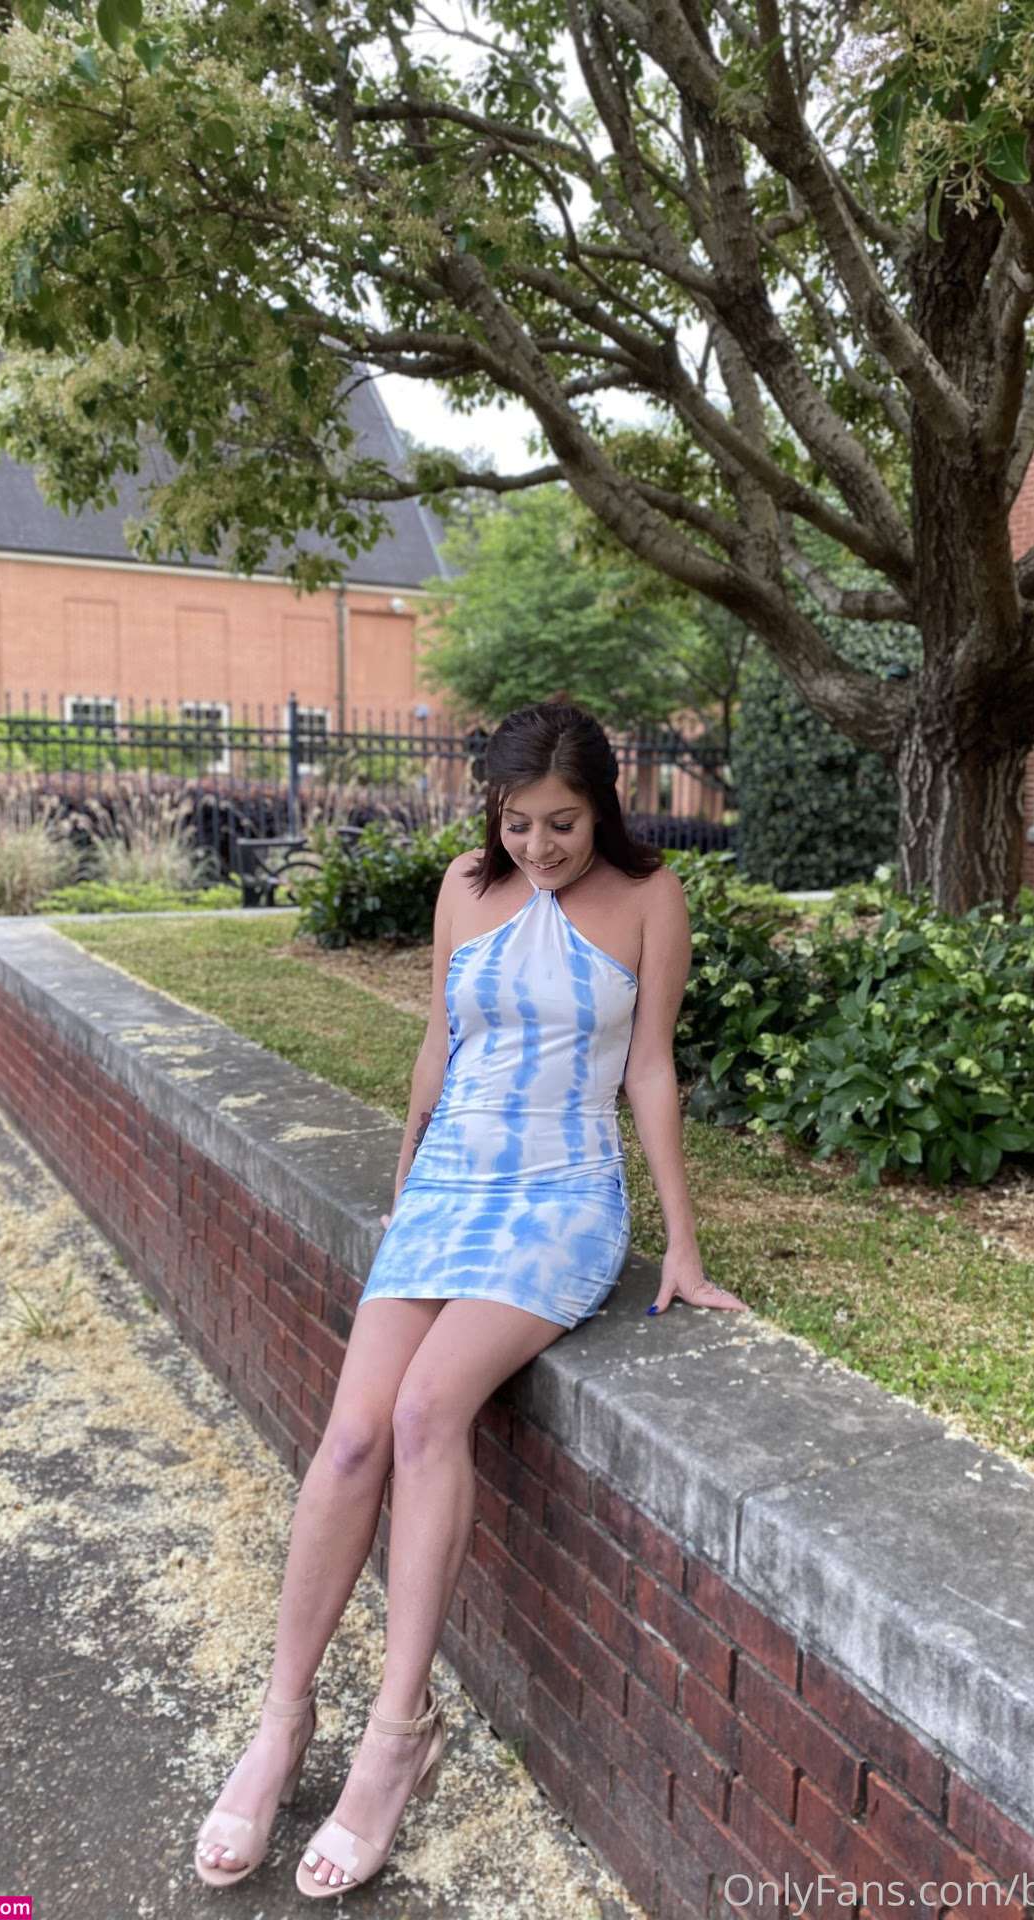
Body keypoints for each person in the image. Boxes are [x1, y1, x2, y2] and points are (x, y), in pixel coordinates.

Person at [192, 699, 745, 1898]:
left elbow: (651, 1070)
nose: (539, 847)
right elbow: (438, 1049)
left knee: (426, 1410)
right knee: (349, 1439)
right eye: (518, 822)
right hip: (450, 1185)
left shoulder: (650, 898)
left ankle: (398, 1736)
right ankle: (282, 1721)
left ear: (603, 808)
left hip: (561, 1195)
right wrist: (405, 1192)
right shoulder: (463, 886)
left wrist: (682, 1248)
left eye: (563, 823)